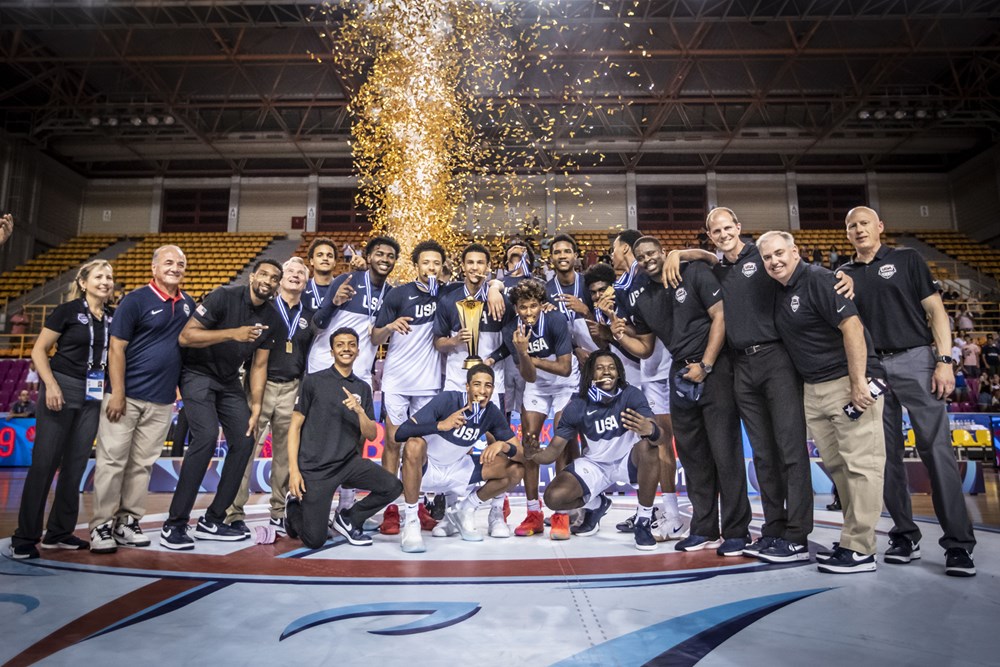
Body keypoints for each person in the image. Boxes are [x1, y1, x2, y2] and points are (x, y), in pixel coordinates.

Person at [662, 207, 820, 563]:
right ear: (711, 235)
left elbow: (798, 272)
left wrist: (840, 278)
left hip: (776, 358)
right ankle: (774, 530)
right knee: (763, 454)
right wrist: (678, 253)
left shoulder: (761, 256)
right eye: (715, 231)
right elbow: (704, 256)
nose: (722, 234)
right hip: (739, 365)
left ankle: (797, 534)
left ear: (738, 227)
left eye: (726, 227)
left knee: (790, 450)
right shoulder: (717, 268)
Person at [841, 206, 975, 576]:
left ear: (879, 227)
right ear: (847, 234)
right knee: (883, 458)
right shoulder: (844, 274)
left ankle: (959, 544)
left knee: (937, 452)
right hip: (873, 369)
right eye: (852, 226)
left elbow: (936, 311)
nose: (858, 229)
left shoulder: (907, 259)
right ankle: (904, 535)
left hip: (916, 360)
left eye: (864, 223)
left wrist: (945, 360)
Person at [612, 236, 752, 557]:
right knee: (692, 455)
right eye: (641, 256)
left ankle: (736, 531)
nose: (647, 259)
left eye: (652, 253)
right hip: (679, 373)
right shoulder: (643, 297)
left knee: (725, 453)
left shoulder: (693, 273)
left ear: (662, 252)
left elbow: (720, 316)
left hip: (713, 367)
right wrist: (617, 334)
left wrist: (706, 364)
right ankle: (704, 528)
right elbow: (645, 348)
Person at [758, 230, 886, 574]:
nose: (774, 261)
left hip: (847, 382)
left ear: (795, 251)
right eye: (767, 257)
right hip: (814, 389)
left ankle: (861, 550)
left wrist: (859, 381)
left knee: (862, 466)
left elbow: (853, 327)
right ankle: (850, 541)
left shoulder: (819, 279)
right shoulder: (780, 289)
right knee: (840, 468)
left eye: (780, 253)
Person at [159, 259, 284, 550]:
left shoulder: (272, 317)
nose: (268, 280)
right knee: (204, 437)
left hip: (228, 381)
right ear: (253, 276)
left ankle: (213, 519)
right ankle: (174, 524)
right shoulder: (223, 296)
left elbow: (259, 366)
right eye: (263, 274)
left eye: (274, 277)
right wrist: (233, 333)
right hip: (197, 374)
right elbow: (186, 336)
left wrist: (256, 407)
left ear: (277, 284)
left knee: (245, 438)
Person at [89, 246, 196, 554]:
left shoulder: (188, 304)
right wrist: (118, 392)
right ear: (154, 267)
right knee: (111, 462)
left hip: (162, 401)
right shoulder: (135, 301)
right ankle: (100, 526)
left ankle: (128, 521)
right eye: (169, 262)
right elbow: (116, 348)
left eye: (180, 263)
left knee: (142, 465)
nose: (175, 268)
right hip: (126, 397)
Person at [8, 260, 114, 559]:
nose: (105, 281)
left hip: (93, 394)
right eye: (99, 276)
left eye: (109, 277)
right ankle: (24, 537)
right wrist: (51, 386)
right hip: (61, 388)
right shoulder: (67, 311)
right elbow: (38, 350)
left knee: (76, 465)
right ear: (83, 282)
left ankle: (59, 532)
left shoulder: (112, 317)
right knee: (44, 463)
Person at [522, 350, 665, 550]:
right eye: (600, 368)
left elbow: (660, 437)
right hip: (595, 464)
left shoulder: (631, 394)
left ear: (619, 373)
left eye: (611, 367)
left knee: (648, 446)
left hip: (626, 459)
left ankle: (643, 521)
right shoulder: (577, 406)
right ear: (590, 374)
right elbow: (553, 452)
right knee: (553, 498)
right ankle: (597, 504)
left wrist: (651, 430)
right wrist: (533, 454)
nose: (606, 372)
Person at [285, 328, 403, 549]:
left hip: (348, 464)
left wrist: (359, 411)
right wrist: (294, 471)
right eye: (340, 345)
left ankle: (348, 519)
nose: (346, 349)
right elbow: (295, 426)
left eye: (351, 344)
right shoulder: (313, 381)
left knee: (392, 486)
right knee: (315, 540)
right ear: (332, 351)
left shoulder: (363, 388)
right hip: (316, 468)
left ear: (358, 351)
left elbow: (371, 434)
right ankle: (293, 510)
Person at [226, 256, 314, 536]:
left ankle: (279, 511)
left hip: (292, 387)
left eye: (301, 272)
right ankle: (232, 512)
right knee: (245, 449)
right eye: (290, 270)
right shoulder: (263, 308)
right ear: (279, 278)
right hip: (258, 386)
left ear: (306, 281)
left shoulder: (309, 314)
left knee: (285, 456)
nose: (296, 275)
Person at [395, 364, 524, 552]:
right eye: (477, 384)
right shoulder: (448, 400)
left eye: (488, 386)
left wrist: (503, 445)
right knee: (414, 444)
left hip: (457, 471)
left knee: (516, 469)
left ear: (493, 389)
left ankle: (465, 508)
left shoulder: (491, 412)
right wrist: (441, 425)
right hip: (427, 470)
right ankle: (411, 522)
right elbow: (401, 433)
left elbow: (520, 454)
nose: (482, 390)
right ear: (467, 386)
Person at [488, 278, 578, 538]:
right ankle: (533, 512)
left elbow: (565, 367)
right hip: (537, 384)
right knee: (529, 443)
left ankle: (561, 513)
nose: (528, 312)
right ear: (515, 307)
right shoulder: (511, 330)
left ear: (541, 305)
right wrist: (523, 354)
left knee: (560, 441)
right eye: (523, 307)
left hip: (564, 385)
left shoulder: (555, 320)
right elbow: (528, 377)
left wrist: (532, 357)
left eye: (533, 306)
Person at [608, 231, 683, 541]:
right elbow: (644, 347)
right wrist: (618, 334)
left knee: (692, 444)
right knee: (661, 443)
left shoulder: (662, 266)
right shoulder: (622, 290)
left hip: (685, 364)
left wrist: (681, 253)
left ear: (624, 247)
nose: (610, 256)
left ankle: (708, 516)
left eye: (613, 250)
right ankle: (673, 515)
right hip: (653, 373)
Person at [372, 240, 447, 534]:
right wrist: (390, 326)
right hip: (397, 381)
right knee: (393, 443)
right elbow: (376, 337)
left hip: (429, 384)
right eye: (426, 262)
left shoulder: (448, 294)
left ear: (442, 266)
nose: (431, 267)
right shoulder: (398, 294)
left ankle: (417, 505)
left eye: (436, 263)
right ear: (416, 265)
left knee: (419, 448)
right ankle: (390, 508)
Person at [302, 238, 338, 312]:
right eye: (320, 255)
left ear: (334, 262)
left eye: (330, 256)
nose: (325, 258)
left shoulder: (342, 288)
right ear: (311, 261)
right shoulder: (302, 288)